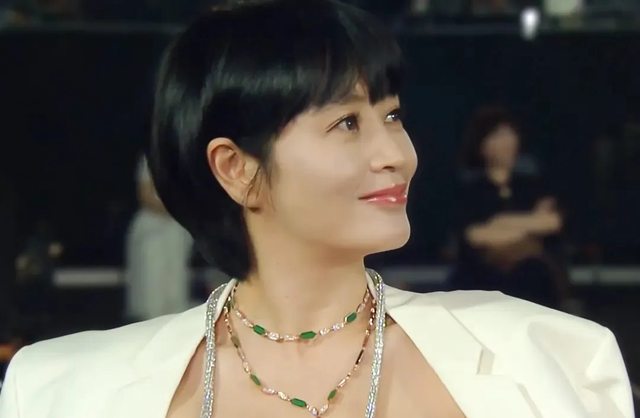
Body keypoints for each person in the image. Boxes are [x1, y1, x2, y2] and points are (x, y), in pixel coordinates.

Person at [0, 1, 633, 417]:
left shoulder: (550, 358)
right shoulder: (64, 390)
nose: (397, 155)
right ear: (235, 168)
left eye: (392, 116)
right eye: (347, 124)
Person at [450, 106, 570, 308]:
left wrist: (500, 223)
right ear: (481, 145)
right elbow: (475, 236)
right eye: (498, 135)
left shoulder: (533, 186)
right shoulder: (471, 191)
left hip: (534, 283)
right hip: (484, 282)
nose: (507, 142)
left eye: (510, 134)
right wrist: (530, 227)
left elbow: (551, 222)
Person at [124, 155, 193, 320]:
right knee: (152, 288)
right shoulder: (150, 158)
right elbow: (145, 194)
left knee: (176, 288)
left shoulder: (184, 158)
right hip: (153, 230)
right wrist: (173, 209)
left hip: (176, 230)